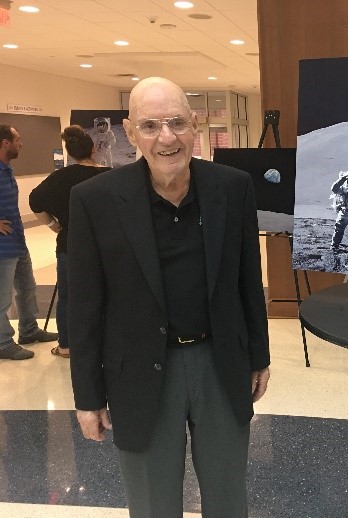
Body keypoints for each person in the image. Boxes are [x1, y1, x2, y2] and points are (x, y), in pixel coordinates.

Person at [68, 77, 270, 518]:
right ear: (129, 131)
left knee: (228, 497)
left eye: (177, 122)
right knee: (152, 503)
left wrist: (259, 354)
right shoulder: (94, 200)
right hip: (138, 370)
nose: (166, 137)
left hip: (219, 363)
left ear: (194, 125)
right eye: (150, 125)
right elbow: (82, 308)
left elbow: (247, 280)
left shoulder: (232, 188)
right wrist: (87, 396)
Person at [28, 125, 110, 359]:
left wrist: (53, 224)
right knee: (106, 294)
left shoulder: (60, 177)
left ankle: (66, 345)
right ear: (93, 148)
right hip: (104, 246)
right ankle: (104, 342)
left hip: (69, 244)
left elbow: (35, 201)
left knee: (68, 296)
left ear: (71, 152)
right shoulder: (110, 176)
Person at [0, 125, 59, 361]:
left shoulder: (7, 169)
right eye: (18, 139)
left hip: (18, 243)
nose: (21, 144)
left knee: (27, 288)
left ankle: (29, 330)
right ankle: (4, 342)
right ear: (5, 142)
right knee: (2, 298)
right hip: (3, 249)